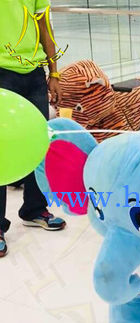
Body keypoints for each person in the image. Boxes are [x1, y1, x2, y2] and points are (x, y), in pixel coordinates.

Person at [0, 0, 66, 258]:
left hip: (34, 73)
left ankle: (34, 209)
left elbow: (44, 26)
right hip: (2, 72)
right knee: (2, 150)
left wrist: (54, 73)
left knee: (38, 142)